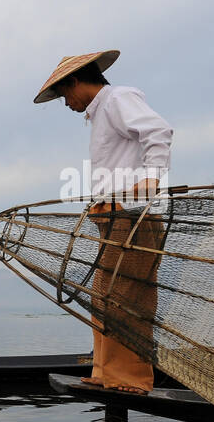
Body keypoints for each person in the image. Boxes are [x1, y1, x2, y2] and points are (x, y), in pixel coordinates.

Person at [34, 49, 173, 395]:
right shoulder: (100, 114)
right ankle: (107, 371)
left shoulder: (117, 98)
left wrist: (152, 179)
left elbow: (158, 131)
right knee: (104, 297)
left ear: (76, 82)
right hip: (111, 217)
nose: (65, 103)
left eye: (64, 94)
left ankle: (130, 379)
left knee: (127, 299)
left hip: (132, 216)